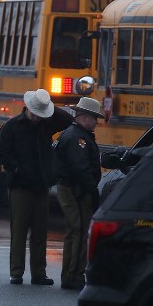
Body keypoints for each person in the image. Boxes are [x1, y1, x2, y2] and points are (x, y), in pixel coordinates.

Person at [0, 89, 73, 285]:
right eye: (37, 112)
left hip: (41, 184)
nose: (39, 117)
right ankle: (17, 272)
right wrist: (16, 169)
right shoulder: (12, 127)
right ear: (28, 108)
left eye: (42, 113)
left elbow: (66, 120)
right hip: (20, 185)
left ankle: (39, 272)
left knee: (40, 231)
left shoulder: (46, 124)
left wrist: (49, 106)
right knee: (19, 230)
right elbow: (1, 153)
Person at [54, 97, 104, 290]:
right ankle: (73, 275)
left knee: (76, 231)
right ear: (84, 117)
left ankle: (72, 274)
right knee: (78, 231)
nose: (96, 123)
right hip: (75, 190)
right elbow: (80, 168)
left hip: (73, 189)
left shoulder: (75, 134)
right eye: (94, 118)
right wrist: (92, 190)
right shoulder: (78, 138)